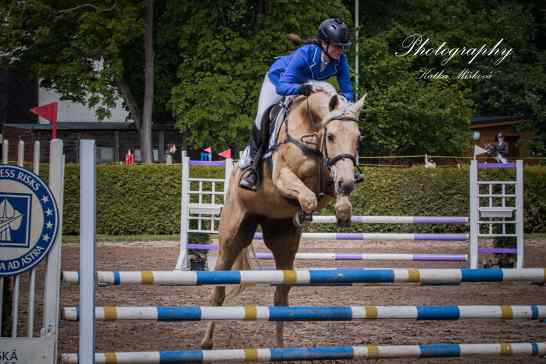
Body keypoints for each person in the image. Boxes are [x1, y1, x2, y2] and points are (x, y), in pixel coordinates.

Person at [239, 18, 362, 191]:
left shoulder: (340, 59)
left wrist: (341, 102)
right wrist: (300, 89)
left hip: (305, 83)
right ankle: (251, 165)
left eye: (342, 47)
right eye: (336, 46)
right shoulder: (305, 54)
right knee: (263, 116)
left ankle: (344, 166)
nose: (340, 50)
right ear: (324, 44)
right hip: (278, 81)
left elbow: (348, 91)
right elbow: (282, 86)